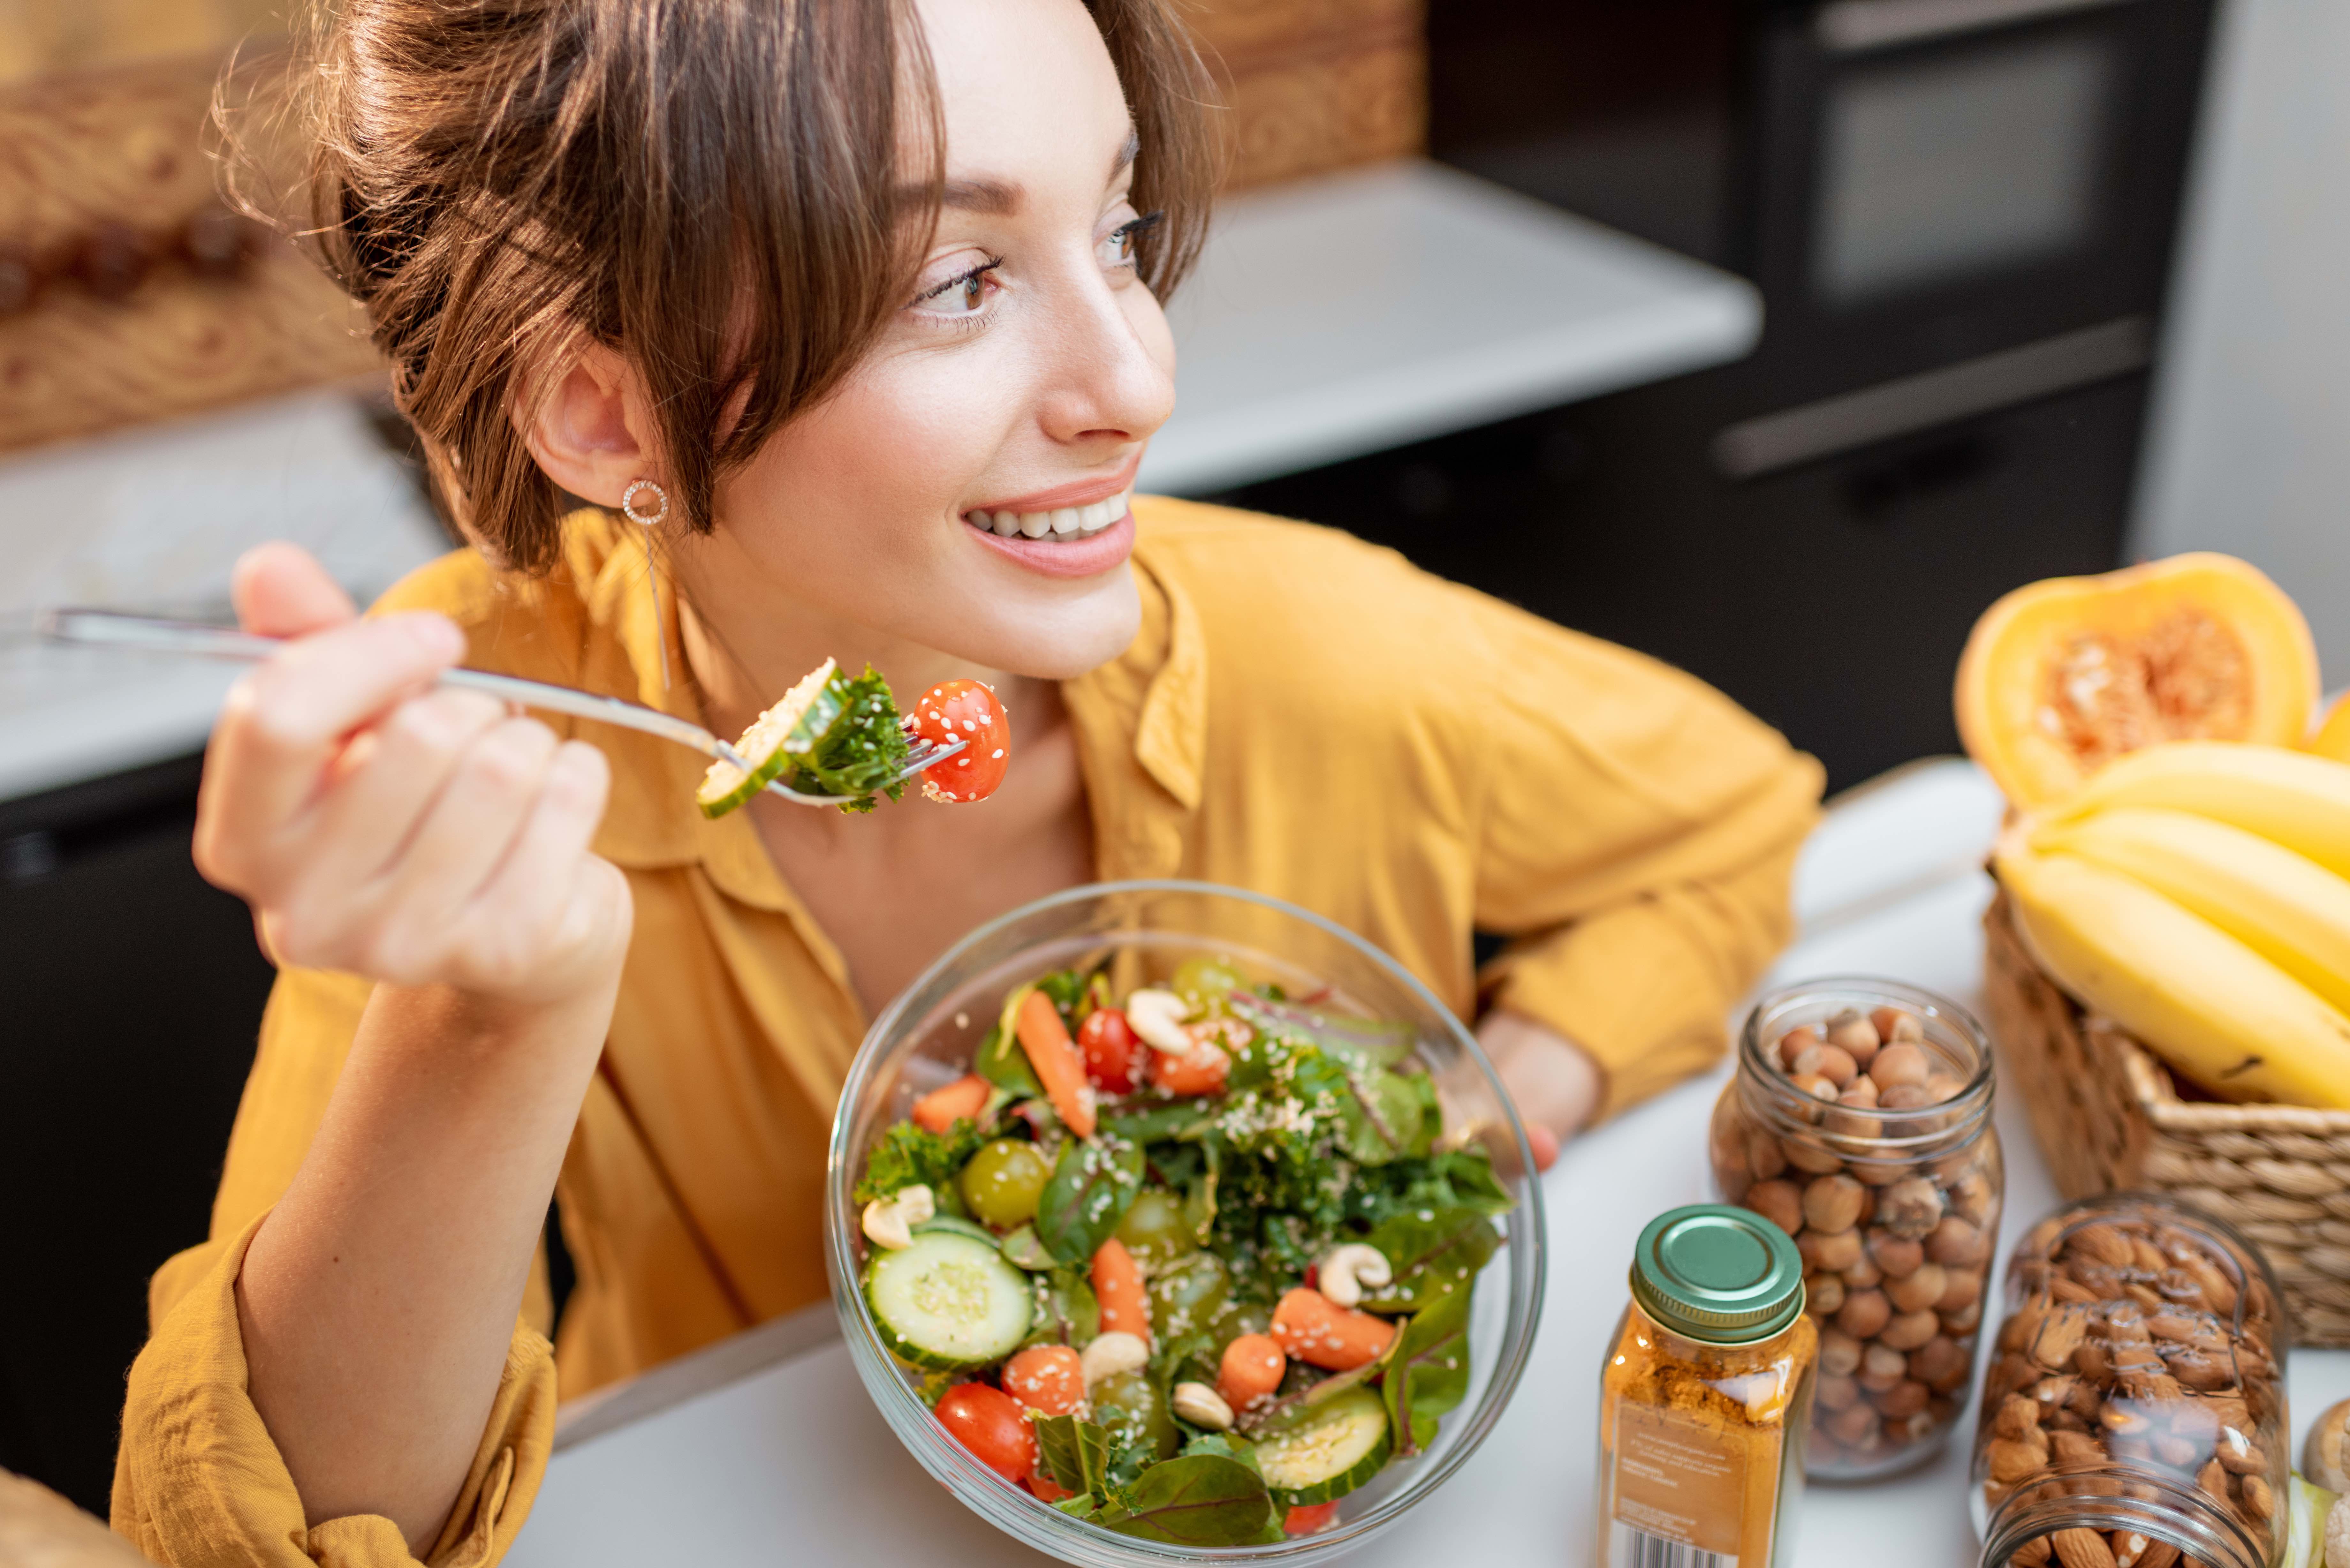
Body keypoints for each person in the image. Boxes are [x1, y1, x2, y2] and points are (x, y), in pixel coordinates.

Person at [110, 0, 1823, 1561]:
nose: (1140, 382)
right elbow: (251, 1536)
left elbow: (1740, 824)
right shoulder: (497, 742)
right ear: (609, 418)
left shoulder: (1334, 659)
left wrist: (1504, 1087)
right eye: (960, 282)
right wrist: (481, 1015)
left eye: (1124, 231)